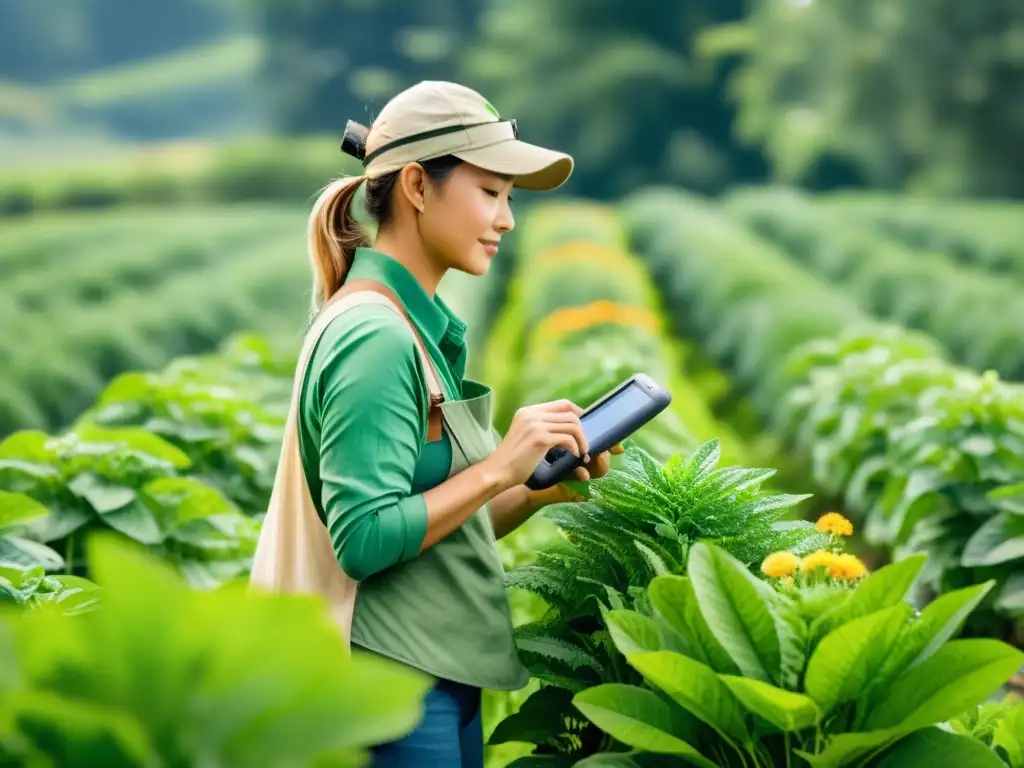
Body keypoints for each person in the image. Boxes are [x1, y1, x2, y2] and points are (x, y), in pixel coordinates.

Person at [297, 80, 619, 766]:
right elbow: (364, 538)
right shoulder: (375, 338)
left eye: (509, 199)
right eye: (490, 192)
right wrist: (499, 464)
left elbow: (433, 526)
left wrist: (534, 489)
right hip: (396, 685)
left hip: (438, 673)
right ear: (417, 186)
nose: (506, 220)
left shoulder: (411, 325)